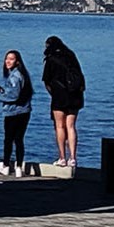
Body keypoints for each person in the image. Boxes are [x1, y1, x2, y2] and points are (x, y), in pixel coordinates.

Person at [42, 35, 86, 169]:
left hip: (59, 96)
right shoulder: (71, 56)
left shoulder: (51, 59)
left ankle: (62, 157)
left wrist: (53, 93)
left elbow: (46, 80)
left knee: (60, 126)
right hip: (75, 95)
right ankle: (73, 158)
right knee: (71, 126)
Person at [0, 49, 33, 176]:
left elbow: (13, 96)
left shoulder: (14, 77)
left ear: (17, 62)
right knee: (19, 140)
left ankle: (6, 165)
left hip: (13, 112)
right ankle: (19, 167)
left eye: (11, 59)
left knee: (8, 139)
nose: (7, 61)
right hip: (25, 111)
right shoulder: (23, 75)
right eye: (7, 58)